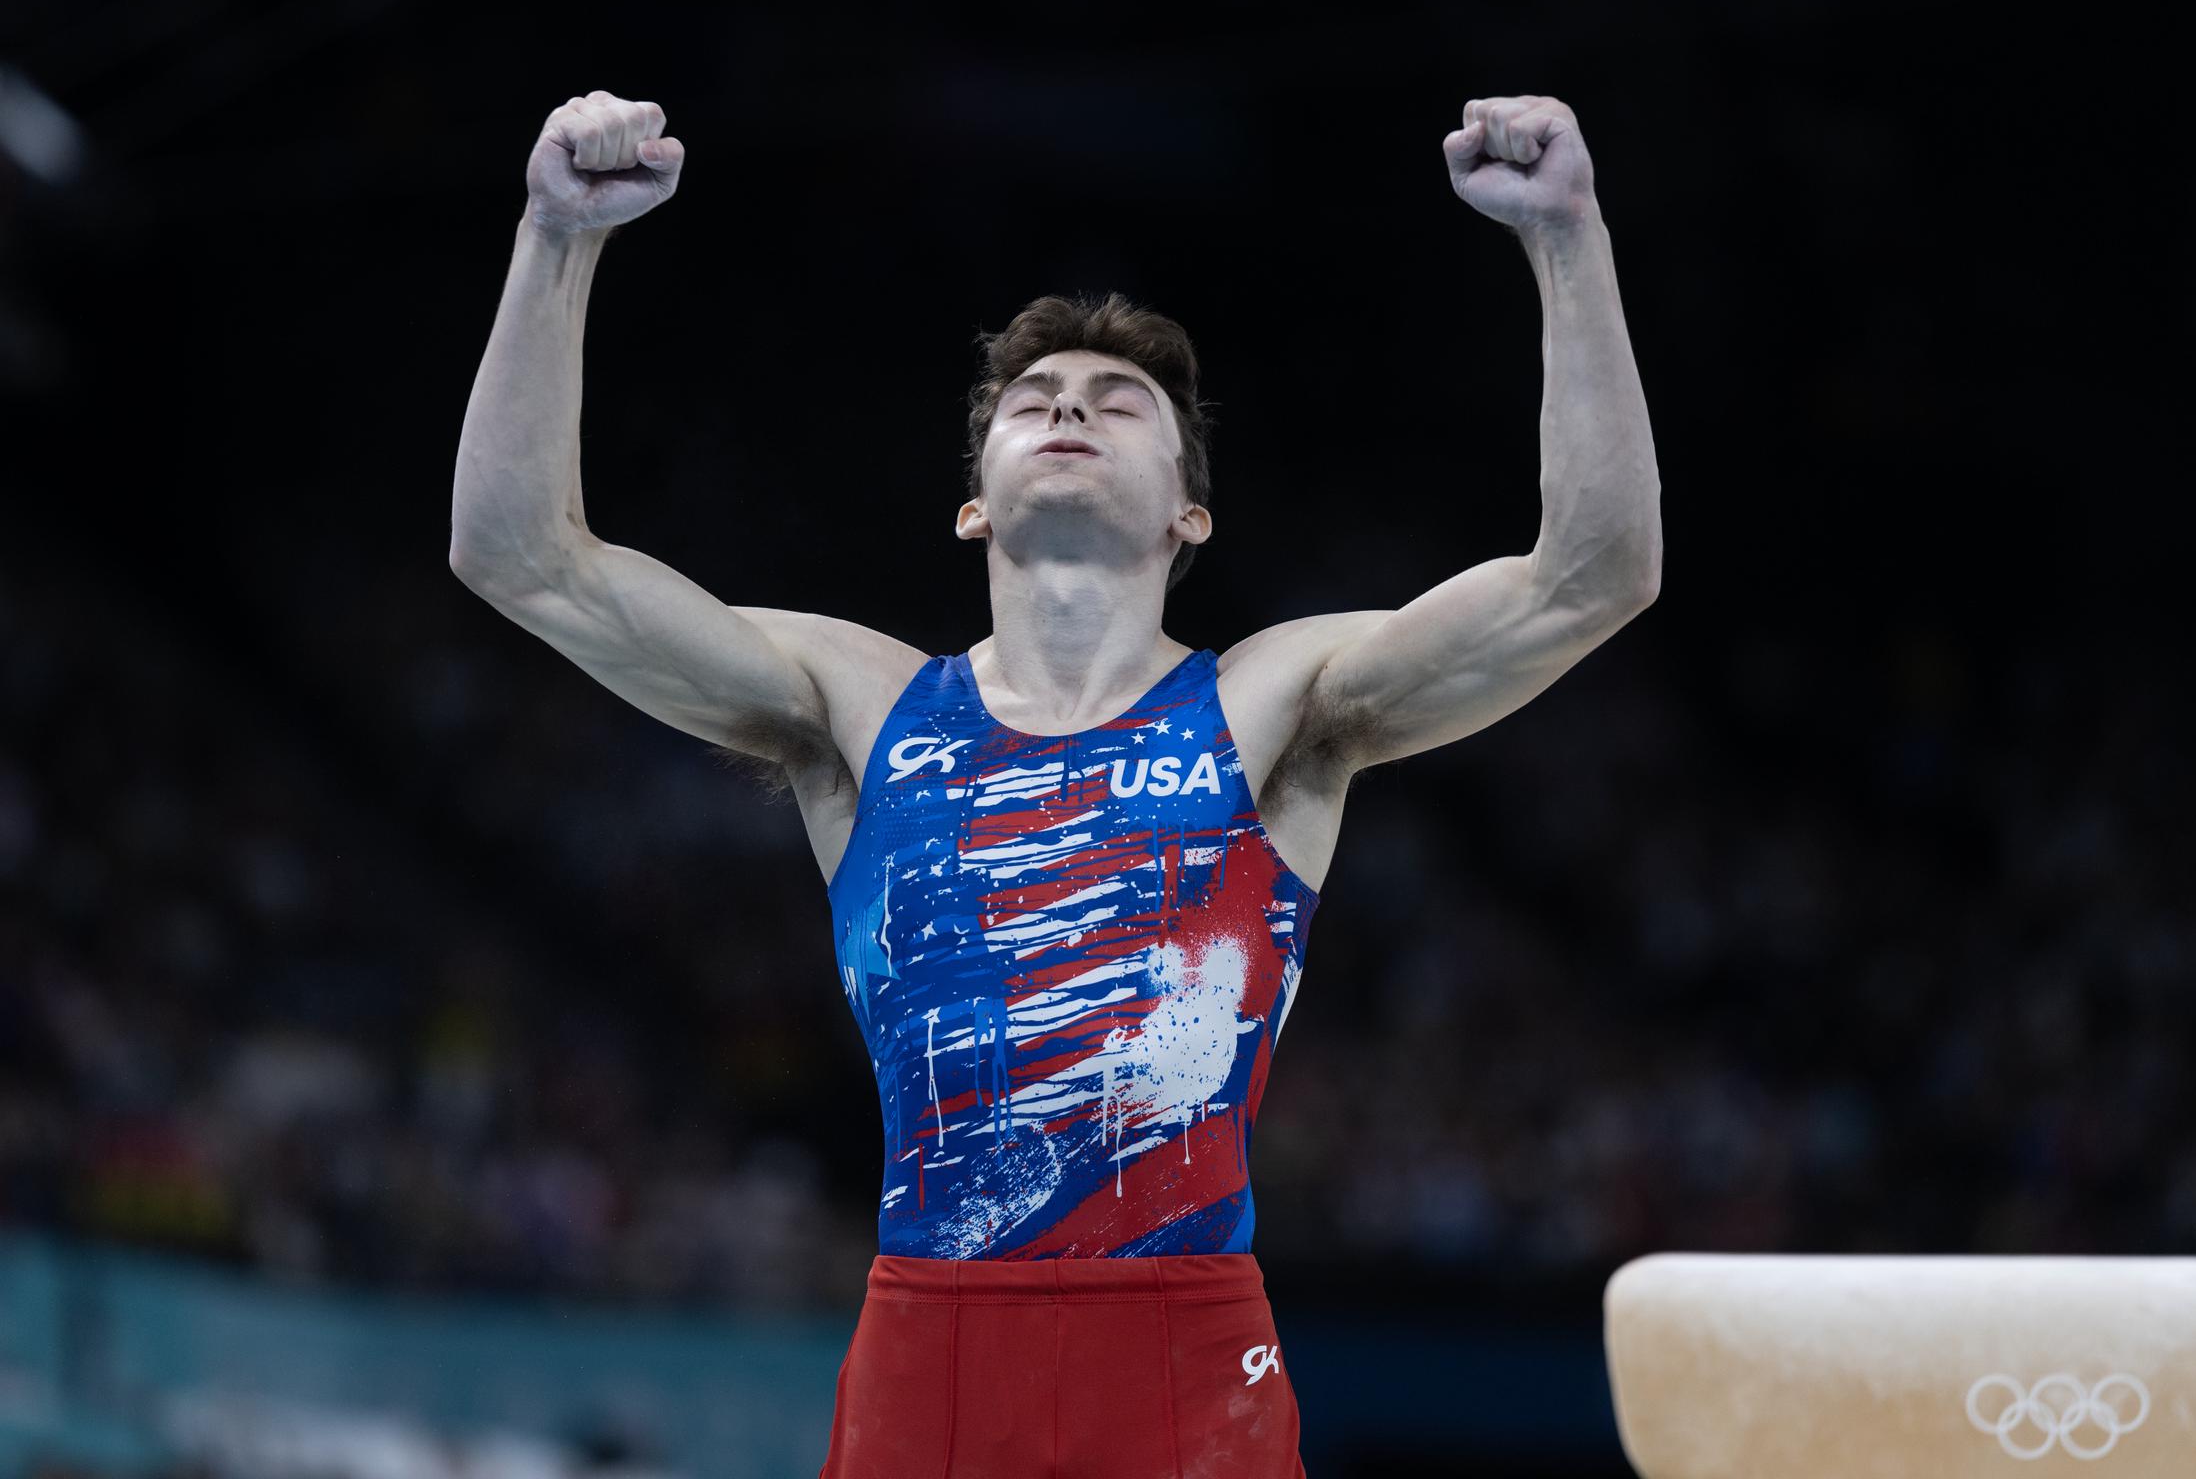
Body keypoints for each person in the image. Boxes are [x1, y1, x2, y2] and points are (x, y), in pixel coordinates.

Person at [447, 88, 1661, 1478]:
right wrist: (554, 239)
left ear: (1188, 512)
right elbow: (517, 555)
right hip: (934, 1342)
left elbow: (1596, 576)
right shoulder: (857, 704)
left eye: (1118, 400)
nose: (1069, 404)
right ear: (975, 499)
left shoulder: (1276, 704)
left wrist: (1569, 239)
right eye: (1033, 400)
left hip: (1183, 1345)